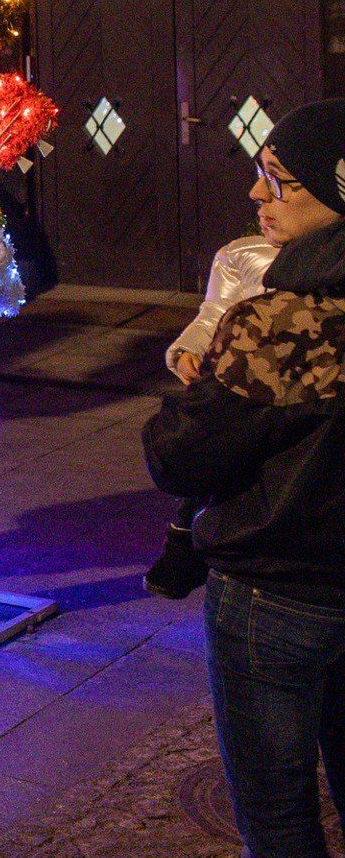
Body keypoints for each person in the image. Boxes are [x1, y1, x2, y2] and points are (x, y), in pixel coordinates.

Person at [145, 102, 345, 858]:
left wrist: (205, 382)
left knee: (280, 816)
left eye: (280, 179)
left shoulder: (282, 323)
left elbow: (178, 458)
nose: (258, 194)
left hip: (277, 595)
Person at [144, 232, 276, 598]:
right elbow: (215, 312)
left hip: (286, 387)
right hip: (239, 382)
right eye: (259, 204)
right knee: (214, 447)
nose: (263, 204)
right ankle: (184, 539)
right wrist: (189, 347)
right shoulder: (242, 253)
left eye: (279, 198)